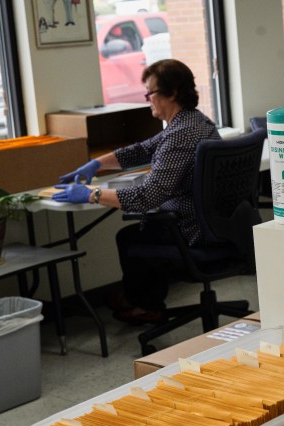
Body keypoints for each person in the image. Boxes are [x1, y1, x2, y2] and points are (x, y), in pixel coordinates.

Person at [53, 59, 221, 324]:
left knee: (133, 236)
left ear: (172, 92)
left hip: (191, 228)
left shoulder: (179, 135)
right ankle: (139, 299)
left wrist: (91, 194)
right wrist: (97, 164)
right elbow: (142, 150)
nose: (148, 100)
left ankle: (145, 305)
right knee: (144, 231)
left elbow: (146, 197)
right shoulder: (195, 122)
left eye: (150, 93)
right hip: (211, 223)